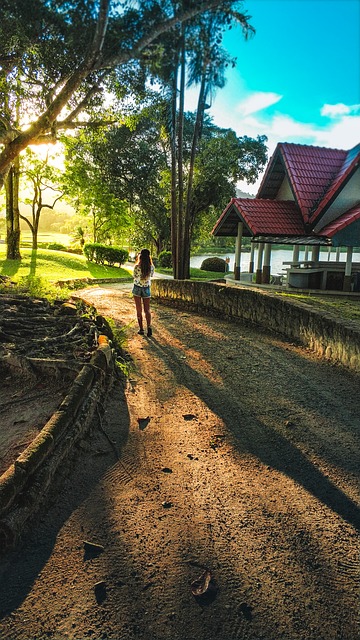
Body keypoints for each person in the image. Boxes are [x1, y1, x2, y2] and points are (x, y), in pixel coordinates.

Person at [132, 248, 155, 336]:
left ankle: (141, 329)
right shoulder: (151, 267)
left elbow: (134, 276)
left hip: (137, 288)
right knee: (147, 309)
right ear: (149, 257)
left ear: (140, 256)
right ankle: (149, 327)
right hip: (146, 288)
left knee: (139, 309)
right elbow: (151, 275)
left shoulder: (137, 266)